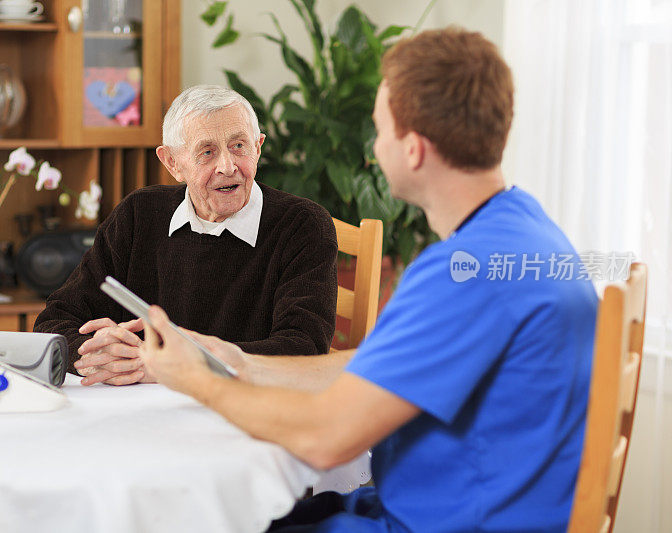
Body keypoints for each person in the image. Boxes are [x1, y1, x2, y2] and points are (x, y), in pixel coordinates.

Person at [138, 27, 598, 532]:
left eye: (380, 131)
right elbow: (379, 368)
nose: (374, 147)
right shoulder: (519, 233)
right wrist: (237, 361)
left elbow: (326, 436)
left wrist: (198, 382)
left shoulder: (462, 276)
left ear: (414, 150)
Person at [33, 85, 338, 386]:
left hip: (248, 411)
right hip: (140, 413)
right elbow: (55, 320)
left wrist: (170, 366)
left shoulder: (303, 225)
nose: (227, 166)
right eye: (207, 152)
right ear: (172, 163)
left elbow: (304, 349)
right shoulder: (139, 214)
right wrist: (95, 351)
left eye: (239, 146)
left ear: (258, 147)